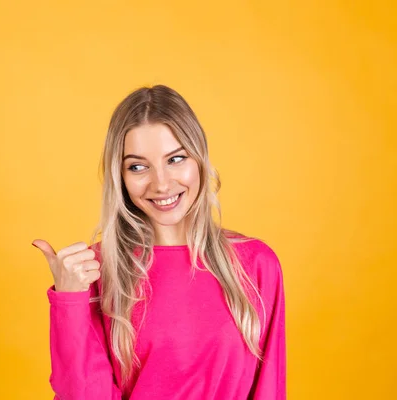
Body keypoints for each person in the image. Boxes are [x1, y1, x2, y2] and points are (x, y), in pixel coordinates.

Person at [32, 84, 286, 399]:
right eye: (138, 166)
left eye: (176, 159)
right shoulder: (97, 272)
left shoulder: (255, 265)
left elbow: (269, 389)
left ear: (199, 160)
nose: (162, 183)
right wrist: (70, 301)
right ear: (119, 177)